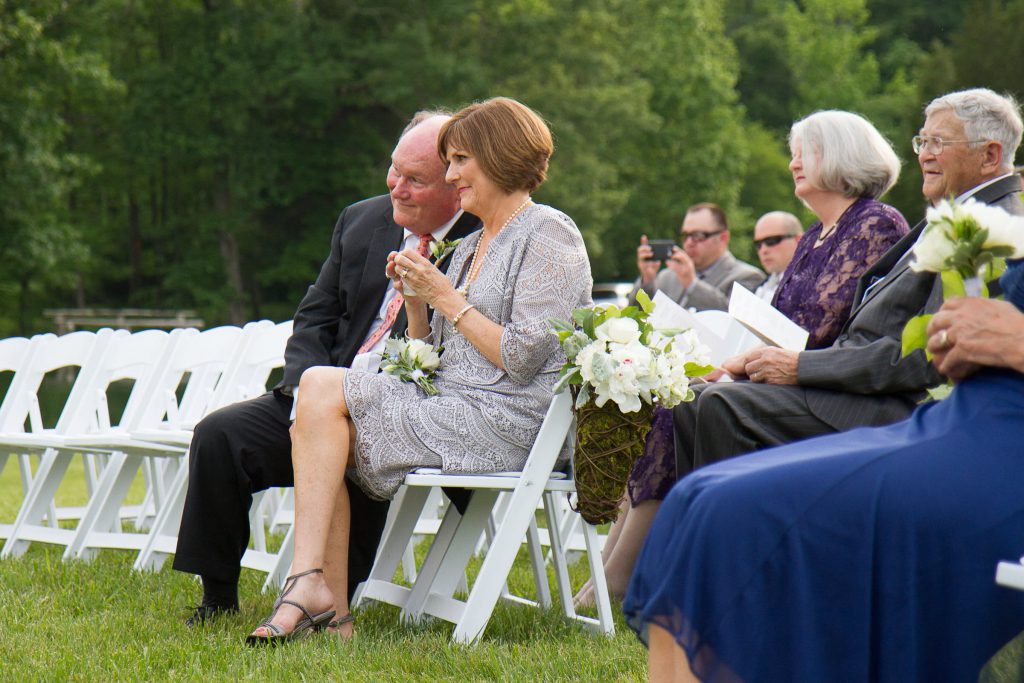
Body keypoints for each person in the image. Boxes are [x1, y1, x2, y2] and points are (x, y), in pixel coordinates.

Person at [245, 97, 592, 644]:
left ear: (497, 157)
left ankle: (315, 593)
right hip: (454, 406)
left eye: (458, 161)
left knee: (318, 397)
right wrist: (415, 302)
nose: (450, 176)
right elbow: (438, 359)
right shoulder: (474, 242)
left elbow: (523, 357)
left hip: (511, 422)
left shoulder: (550, 234)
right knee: (319, 419)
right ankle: (326, 605)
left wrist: (446, 297)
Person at [624, 242, 1024, 682]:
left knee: (721, 509)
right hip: (954, 417)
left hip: (988, 442)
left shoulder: (996, 220)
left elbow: (914, 361)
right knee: (696, 495)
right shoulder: (965, 222)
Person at [577, 110, 909, 606]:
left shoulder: (873, 224)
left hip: (826, 389)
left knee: (690, 404)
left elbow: (822, 327)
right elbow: (776, 320)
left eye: (807, 151)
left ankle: (634, 578)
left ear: (840, 155)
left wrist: (742, 364)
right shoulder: (817, 234)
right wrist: (730, 360)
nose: (794, 161)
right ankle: (616, 570)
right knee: (670, 398)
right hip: (780, 376)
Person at [172, 111, 480, 626]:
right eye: (393, 170)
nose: (396, 187)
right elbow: (315, 317)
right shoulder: (361, 221)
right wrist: (301, 395)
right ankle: (218, 595)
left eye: (415, 180)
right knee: (219, 435)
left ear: (454, 184)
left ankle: (333, 600)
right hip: (317, 391)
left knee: (352, 453)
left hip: (402, 408)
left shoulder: (481, 240)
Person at [671, 87, 1024, 480]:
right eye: (922, 140)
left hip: (886, 406)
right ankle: (702, 534)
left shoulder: (993, 227)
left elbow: (924, 357)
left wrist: (799, 365)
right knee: (692, 398)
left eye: (938, 142)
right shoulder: (956, 216)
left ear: (990, 155)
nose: (924, 154)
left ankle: (739, 537)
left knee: (718, 404)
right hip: (854, 389)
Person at [630, 203, 765, 312]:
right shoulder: (667, 277)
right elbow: (636, 321)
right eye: (685, 236)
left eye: (698, 236)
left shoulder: (748, 277)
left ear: (723, 237)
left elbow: (733, 321)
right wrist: (647, 280)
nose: (689, 243)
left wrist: (692, 284)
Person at [751, 211, 802, 301]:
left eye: (771, 241)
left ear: (799, 240)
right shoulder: (759, 288)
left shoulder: (815, 283)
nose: (763, 250)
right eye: (758, 244)